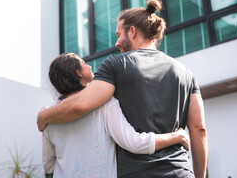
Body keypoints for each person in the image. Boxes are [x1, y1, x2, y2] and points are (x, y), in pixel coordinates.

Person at [38, 0, 208, 178]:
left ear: (132, 31)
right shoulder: (186, 73)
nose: (116, 43)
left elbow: (82, 103)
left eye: (119, 35)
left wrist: (44, 116)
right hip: (181, 171)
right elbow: (199, 129)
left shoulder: (116, 65)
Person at [43, 52, 190, 177]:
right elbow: (134, 142)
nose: (89, 65)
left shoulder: (48, 116)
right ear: (78, 73)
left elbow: (48, 166)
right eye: (84, 62)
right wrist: (177, 136)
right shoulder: (102, 103)